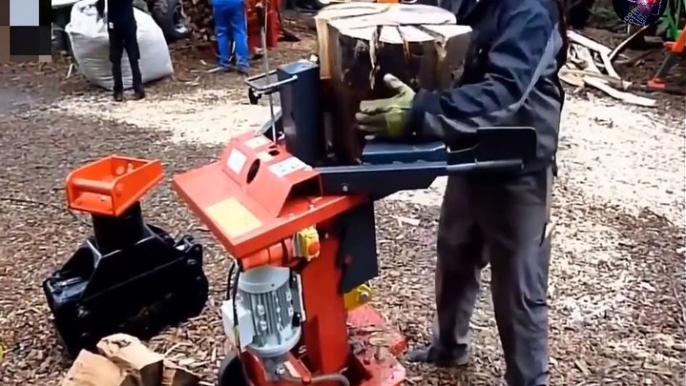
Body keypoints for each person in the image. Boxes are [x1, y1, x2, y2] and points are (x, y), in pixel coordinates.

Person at [355, 0, 568, 384]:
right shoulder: (466, 3)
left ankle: (529, 379)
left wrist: (420, 111)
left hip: (519, 161)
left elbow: (506, 92)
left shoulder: (530, 9)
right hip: (471, 151)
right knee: (455, 253)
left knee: (519, 283)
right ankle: (449, 347)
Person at [96, 0, 145, 102]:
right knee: (133, 58)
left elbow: (100, 3)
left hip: (114, 25)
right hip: (129, 23)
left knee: (116, 59)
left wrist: (100, 13)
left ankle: (118, 91)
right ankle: (139, 89)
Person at [213, 0, 250, 74]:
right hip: (235, 2)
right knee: (239, 31)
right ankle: (242, 64)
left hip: (218, 3)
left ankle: (224, 63)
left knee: (222, 32)